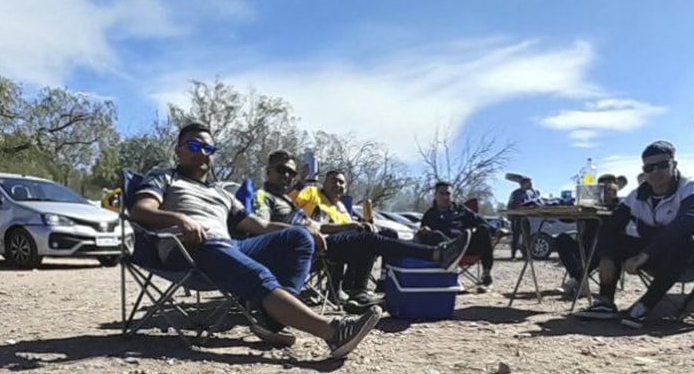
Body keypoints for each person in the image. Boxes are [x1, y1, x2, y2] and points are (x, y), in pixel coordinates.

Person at [129, 124, 381, 359]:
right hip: (186, 248)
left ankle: (272, 321)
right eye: (193, 146)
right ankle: (333, 332)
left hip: (224, 246)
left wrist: (310, 230)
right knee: (256, 271)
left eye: (208, 148)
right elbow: (140, 211)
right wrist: (180, 219)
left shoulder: (220, 193)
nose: (201, 153)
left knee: (298, 237)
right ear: (179, 150)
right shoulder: (164, 177)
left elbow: (259, 226)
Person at [258, 156, 471, 311]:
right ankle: (436, 254)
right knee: (369, 239)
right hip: (301, 249)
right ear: (268, 171)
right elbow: (261, 227)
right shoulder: (267, 196)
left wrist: (351, 225)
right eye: (281, 170)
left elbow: (318, 226)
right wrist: (305, 222)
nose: (286, 176)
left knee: (375, 235)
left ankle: (366, 288)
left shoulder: (293, 202)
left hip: (322, 242)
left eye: (291, 173)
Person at [577, 142, 694, 330]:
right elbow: (610, 226)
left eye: (662, 165)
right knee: (614, 239)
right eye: (649, 167)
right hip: (657, 255)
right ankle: (606, 302)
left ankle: (643, 306)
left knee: (683, 241)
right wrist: (606, 256)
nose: (655, 171)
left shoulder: (691, 188)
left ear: (674, 164)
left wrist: (644, 255)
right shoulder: (638, 195)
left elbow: (685, 226)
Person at [417, 182, 498, 286]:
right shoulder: (430, 214)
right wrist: (425, 231)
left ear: (452, 195)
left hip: (464, 245)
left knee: (483, 229)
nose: (445, 197)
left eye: (448, 193)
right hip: (446, 249)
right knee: (436, 235)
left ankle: (486, 274)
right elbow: (422, 233)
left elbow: (479, 220)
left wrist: (496, 231)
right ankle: (446, 276)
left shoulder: (460, 209)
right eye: (441, 193)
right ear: (435, 195)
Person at [556, 173, 622, 294]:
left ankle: (576, 280)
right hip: (584, 246)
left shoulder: (620, 206)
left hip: (605, 249)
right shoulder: (590, 205)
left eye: (609, 188)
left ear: (615, 189)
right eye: (602, 188)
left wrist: (605, 208)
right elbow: (565, 220)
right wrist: (573, 207)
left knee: (600, 245)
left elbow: (618, 221)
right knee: (562, 239)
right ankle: (580, 280)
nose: (606, 191)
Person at [506, 177, 538, 260]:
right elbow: (511, 204)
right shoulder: (516, 193)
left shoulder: (530, 193)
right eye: (529, 183)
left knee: (526, 237)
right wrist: (510, 215)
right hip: (516, 217)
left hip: (526, 217)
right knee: (516, 237)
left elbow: (534, 201)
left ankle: (526, 255)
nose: (530, 184)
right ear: (523, 184)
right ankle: (513, 255)